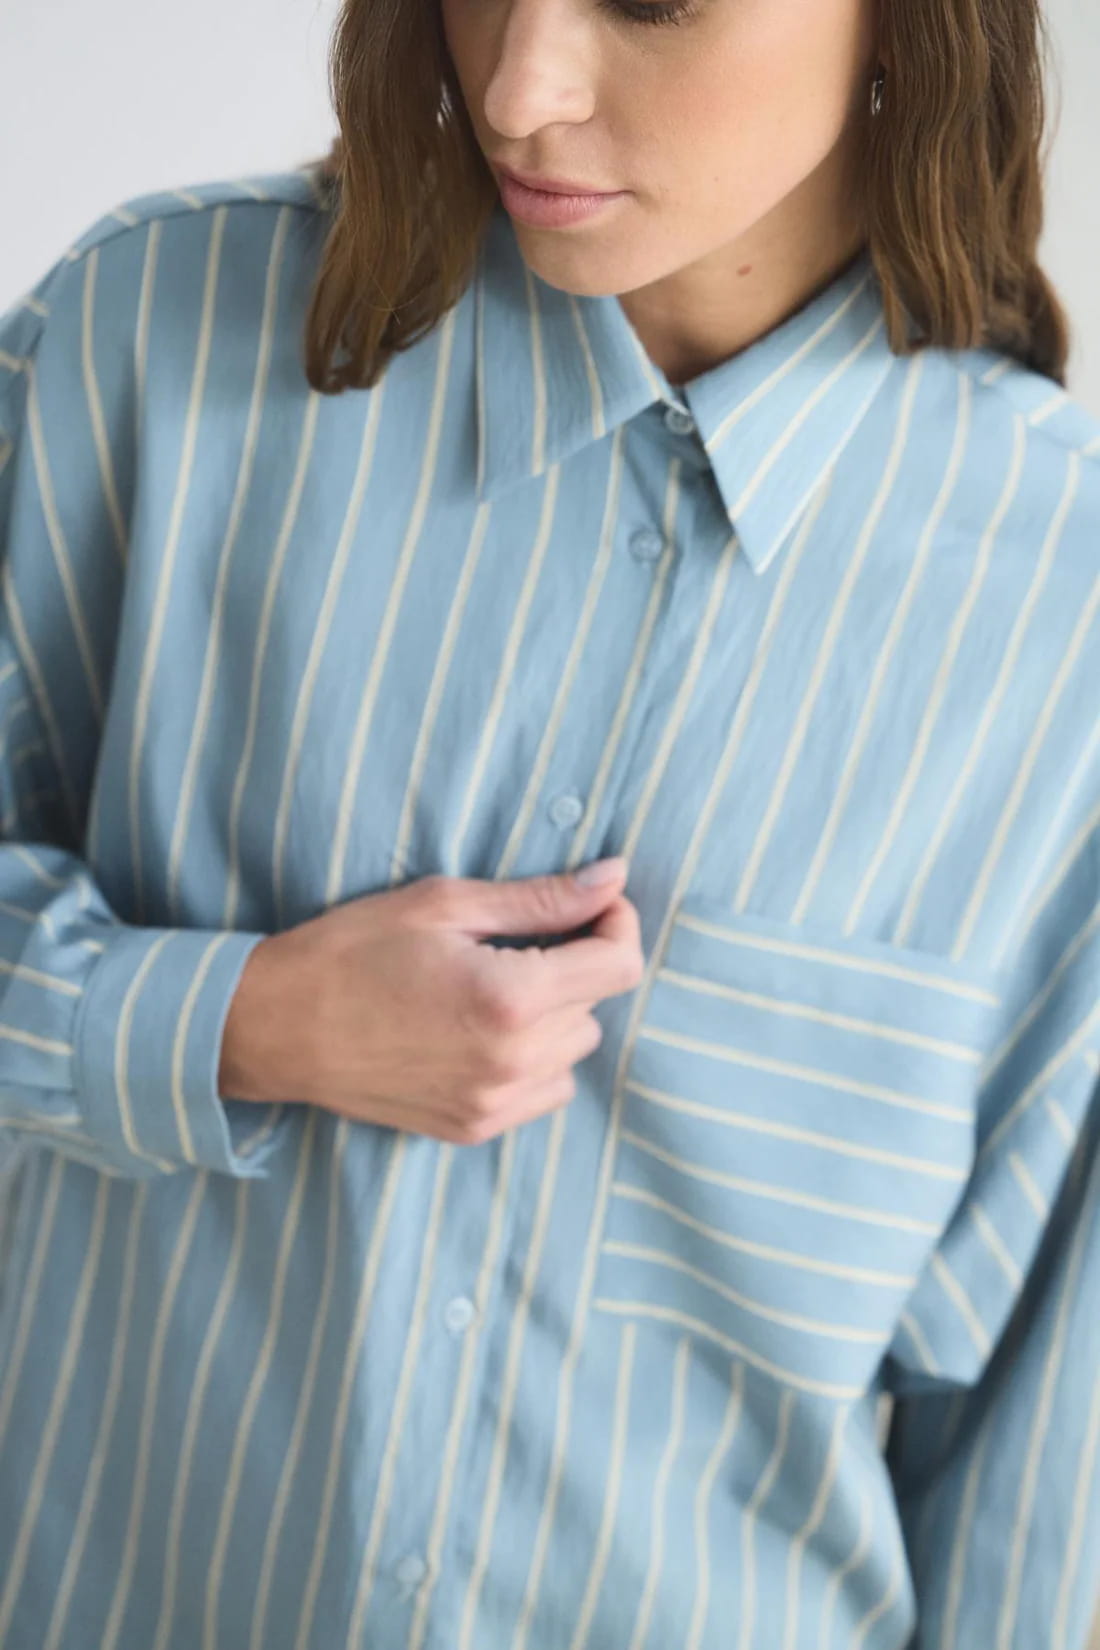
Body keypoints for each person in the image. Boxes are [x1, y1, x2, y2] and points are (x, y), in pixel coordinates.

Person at [0, 0, 1097, 1643]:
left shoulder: (1067, 617)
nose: (519, 86)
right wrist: (237, 1020)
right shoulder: (142, 345)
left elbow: (1041, 1471)